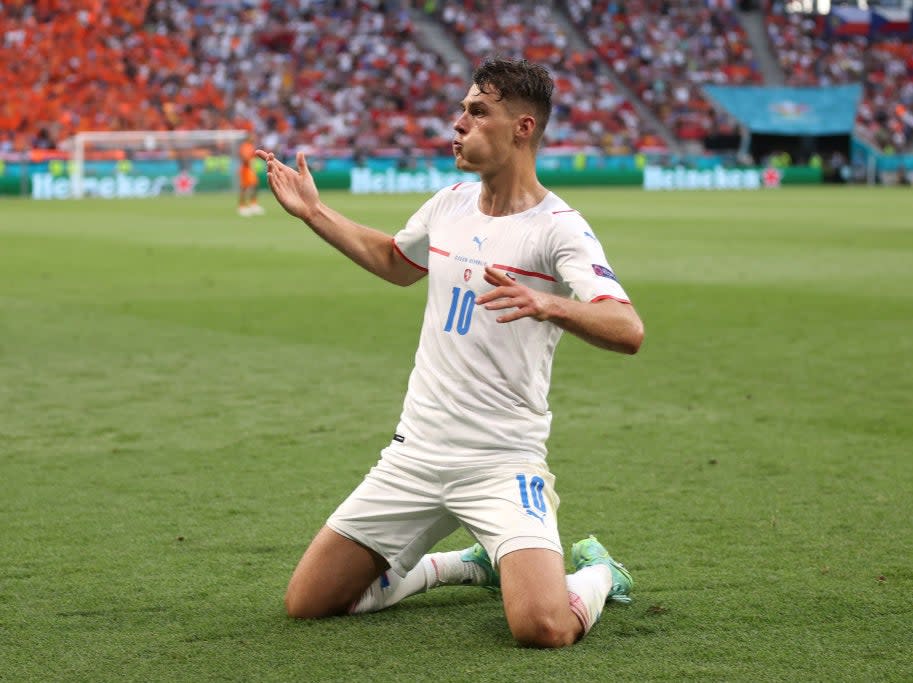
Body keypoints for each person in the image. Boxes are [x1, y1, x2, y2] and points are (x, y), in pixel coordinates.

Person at [256, 58, 644, 648]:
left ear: (523, 128)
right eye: (462, 109)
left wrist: (551, 306)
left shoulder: (559, 228)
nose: (457, 122)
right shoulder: (449, 204)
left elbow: (628, 327)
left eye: (477, 111)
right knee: (309, 603)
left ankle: (595, 574)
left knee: (542, 628)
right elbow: (394, 261)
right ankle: (462, 565)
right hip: (416, 455)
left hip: (500, 462)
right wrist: (314, 212)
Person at [238, 135, 265, 216]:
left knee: (254, 185)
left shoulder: (251, 146)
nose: (254, 138)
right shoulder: (244, 146)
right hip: (245, 169)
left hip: (250, 169)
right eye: (252, 136)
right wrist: (249, 160)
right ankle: (241, 206)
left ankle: (253, 204)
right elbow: (244, 157)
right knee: (244, 187)